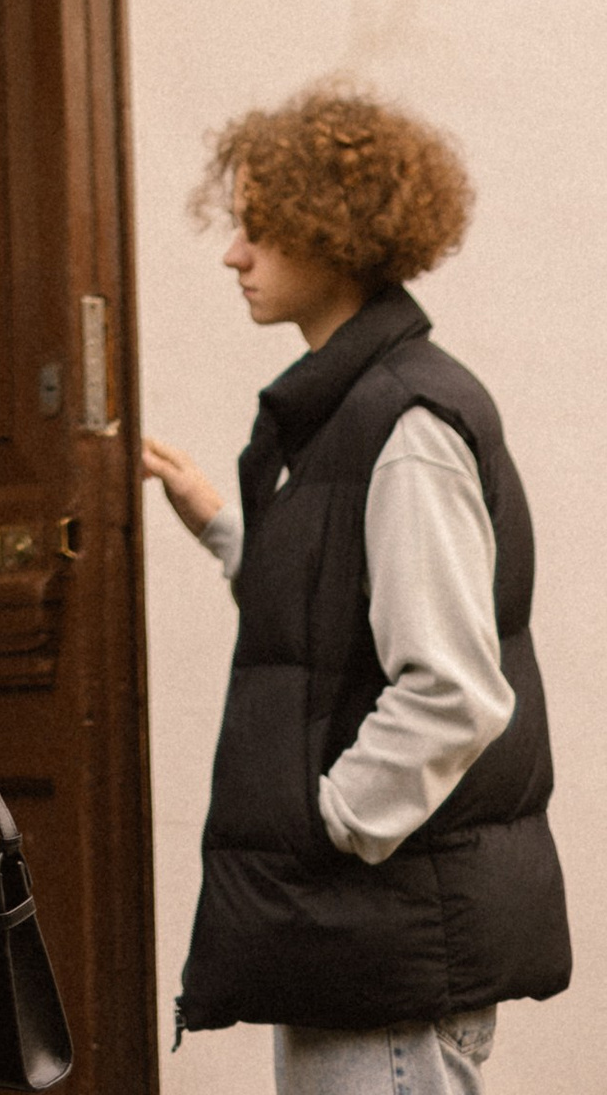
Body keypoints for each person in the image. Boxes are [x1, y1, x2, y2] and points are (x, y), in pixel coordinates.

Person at [145, 82, 570, 1092]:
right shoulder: (352, 417)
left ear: (330, 235)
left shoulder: (403, 425)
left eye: (257, 229)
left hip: (388, 951)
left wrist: (328, 823)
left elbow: (450, 688)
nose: (231, 253)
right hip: (370, 947)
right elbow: (345, 618)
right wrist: (221, 523)